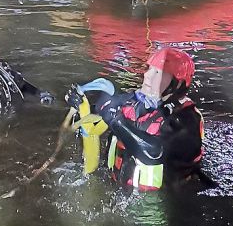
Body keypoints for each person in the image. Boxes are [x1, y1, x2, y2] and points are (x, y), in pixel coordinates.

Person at [68, 48, 205, 191]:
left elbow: (156, 152)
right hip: (119, 187)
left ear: (177, 83)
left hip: (158, 202)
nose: (147, 75)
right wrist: (80, 104)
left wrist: (116, 120)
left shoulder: (188, 119)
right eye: (148, 69)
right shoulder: (137, 101)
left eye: (157, 72)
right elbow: (99, 113)